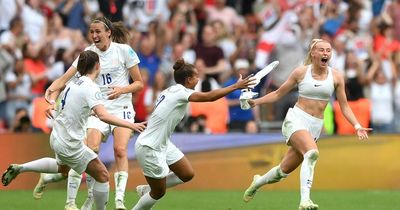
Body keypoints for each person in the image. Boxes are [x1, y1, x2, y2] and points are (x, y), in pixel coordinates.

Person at [1, 50, 146, 210]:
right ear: (98, 66)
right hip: (70, 143)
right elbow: (104, 116)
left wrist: (84, 111)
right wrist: (131, 125)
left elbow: (74, 104)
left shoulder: (72, 83)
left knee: (62, 168)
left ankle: (21, 167)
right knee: (103, 175)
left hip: (57, 136)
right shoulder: (91, 88)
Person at [242, 39, 372, 210]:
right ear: (313, 53)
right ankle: (305, 201)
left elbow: (344, 106)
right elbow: (278, 93)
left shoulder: (337, 76)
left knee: (282, 172)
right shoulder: (301, 72)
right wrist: (255, 102)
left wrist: (357, 126)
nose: (326, 53)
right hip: (296, 119)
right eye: (322, 50)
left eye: (328, 50)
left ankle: (257, 182)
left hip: (315, 127)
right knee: (311, 153)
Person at [35, 16, 144, 210]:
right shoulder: (88, 53)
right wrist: (51, 91)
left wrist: (121, 90)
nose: (94, 35)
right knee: (90, 150)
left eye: (98, 32)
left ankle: (119, 200)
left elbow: (139, 83)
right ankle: (83, 199)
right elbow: (66, 77)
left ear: (108, 32)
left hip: (122, 107)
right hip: (97, 109)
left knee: (120, 150)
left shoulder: (124, 51)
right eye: (91, 32)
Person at [131, 58, 254, 210]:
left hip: (162, 143)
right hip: (149, 146)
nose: (198, 79)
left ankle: (149, 189)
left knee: (186, 174)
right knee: (159, 193)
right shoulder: (181, 93)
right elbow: (209, 97)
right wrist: (236, 86)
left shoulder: (169, 90)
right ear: (189, 79)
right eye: (196, 76)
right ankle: (150, 194)